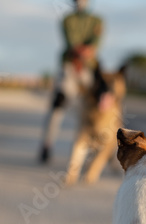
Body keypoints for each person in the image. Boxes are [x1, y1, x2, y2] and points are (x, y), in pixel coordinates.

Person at [39, 0, 103, 163]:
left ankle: (94, 149)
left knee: (93, 111)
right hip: (69, 67)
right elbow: (72, 42)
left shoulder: (98, 21)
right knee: (57, 106)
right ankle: (47, 144)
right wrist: (80, 53)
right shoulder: (67, 20)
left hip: (88, 70)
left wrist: (87, 53)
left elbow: (96, 43)